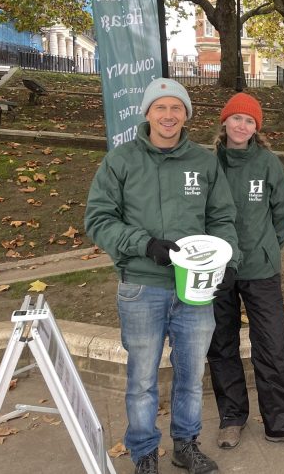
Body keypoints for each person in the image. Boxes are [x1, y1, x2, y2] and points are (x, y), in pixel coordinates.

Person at [85, 78, 241, 474]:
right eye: (161, 107)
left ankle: (185, 445)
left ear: (186, 115)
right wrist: (144, 244)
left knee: (191, 376)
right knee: (141, 381)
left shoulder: (204, 162)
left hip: (195, 290)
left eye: (177, 108)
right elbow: (98, 220)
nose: (169, 115)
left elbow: (221, 217)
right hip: (141, 287)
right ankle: (144, 455)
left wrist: (225, 261)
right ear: (147, 113)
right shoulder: (120, 160)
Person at [207, 93, 284, 452]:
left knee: (271, 344)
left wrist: (267, 246)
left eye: (249, 121)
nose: (242, 126)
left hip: (260, 268)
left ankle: (282, 423)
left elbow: (281, 213)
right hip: (218, 269)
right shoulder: (207, 162)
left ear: (257, 128)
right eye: (236, 119)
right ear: (225, 122)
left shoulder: (268, 163)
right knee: (221, 344)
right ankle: (232, 418)